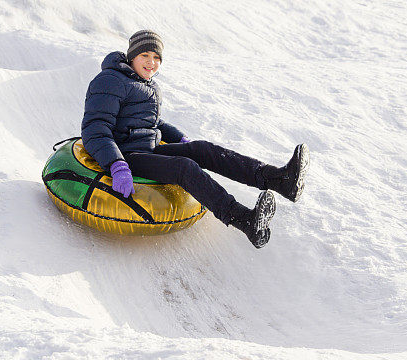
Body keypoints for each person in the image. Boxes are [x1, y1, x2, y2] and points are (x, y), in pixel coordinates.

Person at [81, 30, 308, 248]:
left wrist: (181, 139)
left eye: (157, 57)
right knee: (184, 167)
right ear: (132, 56)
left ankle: (278, 179)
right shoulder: (109, 81)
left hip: (147, 149)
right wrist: (116, 164)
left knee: (203, 150)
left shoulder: (147, 85)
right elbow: (95, 127)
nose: (151, 63)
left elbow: (153, 122)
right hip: (125, 155)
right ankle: (245, 220)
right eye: (145, 55)